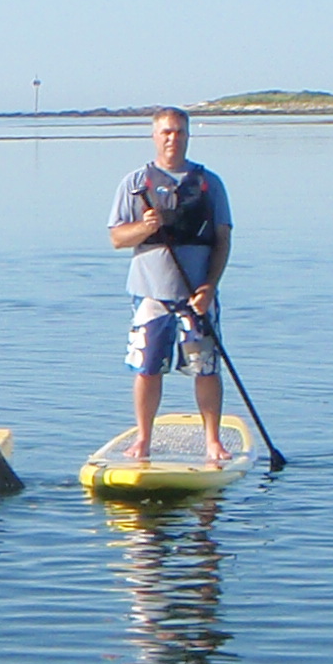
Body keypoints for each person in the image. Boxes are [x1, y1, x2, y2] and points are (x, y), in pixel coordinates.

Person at [108, 107, 235, 466]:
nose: (172, 138)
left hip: (196, 295)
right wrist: (146, 228)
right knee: (147, 367)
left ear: (188, 135)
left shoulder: (210, 184)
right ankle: (143, 438)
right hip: (150, 294)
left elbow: (223, 239)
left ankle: (212, 440)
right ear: (154, 135)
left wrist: (209, 286)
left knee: (206, 367)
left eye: (179, 132)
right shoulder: (134, 184)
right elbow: (117, 238)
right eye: (166, 132)